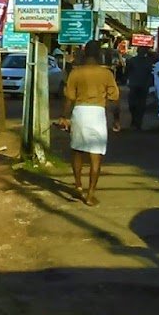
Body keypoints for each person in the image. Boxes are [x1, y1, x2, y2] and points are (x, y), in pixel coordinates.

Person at [55, 40, 121, 205]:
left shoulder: (75, 73)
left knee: (77, 151)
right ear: (99, 54)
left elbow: (69, 98)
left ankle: (78, 185)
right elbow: (114, 99)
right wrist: (117, 119)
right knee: (96, 156)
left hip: (80, 112)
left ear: (84, 54)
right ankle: (90, 195)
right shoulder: (106, 74)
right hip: (97, 113)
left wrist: (64, 116)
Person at [124, 45, 156, 131]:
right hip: (136, 85)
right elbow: (127, 71)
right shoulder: (133, 60)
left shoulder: (148, 61)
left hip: (141, 85)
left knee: (139, 105)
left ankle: (137, 122)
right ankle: (135, 121)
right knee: (135, 105)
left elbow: (151, 74)